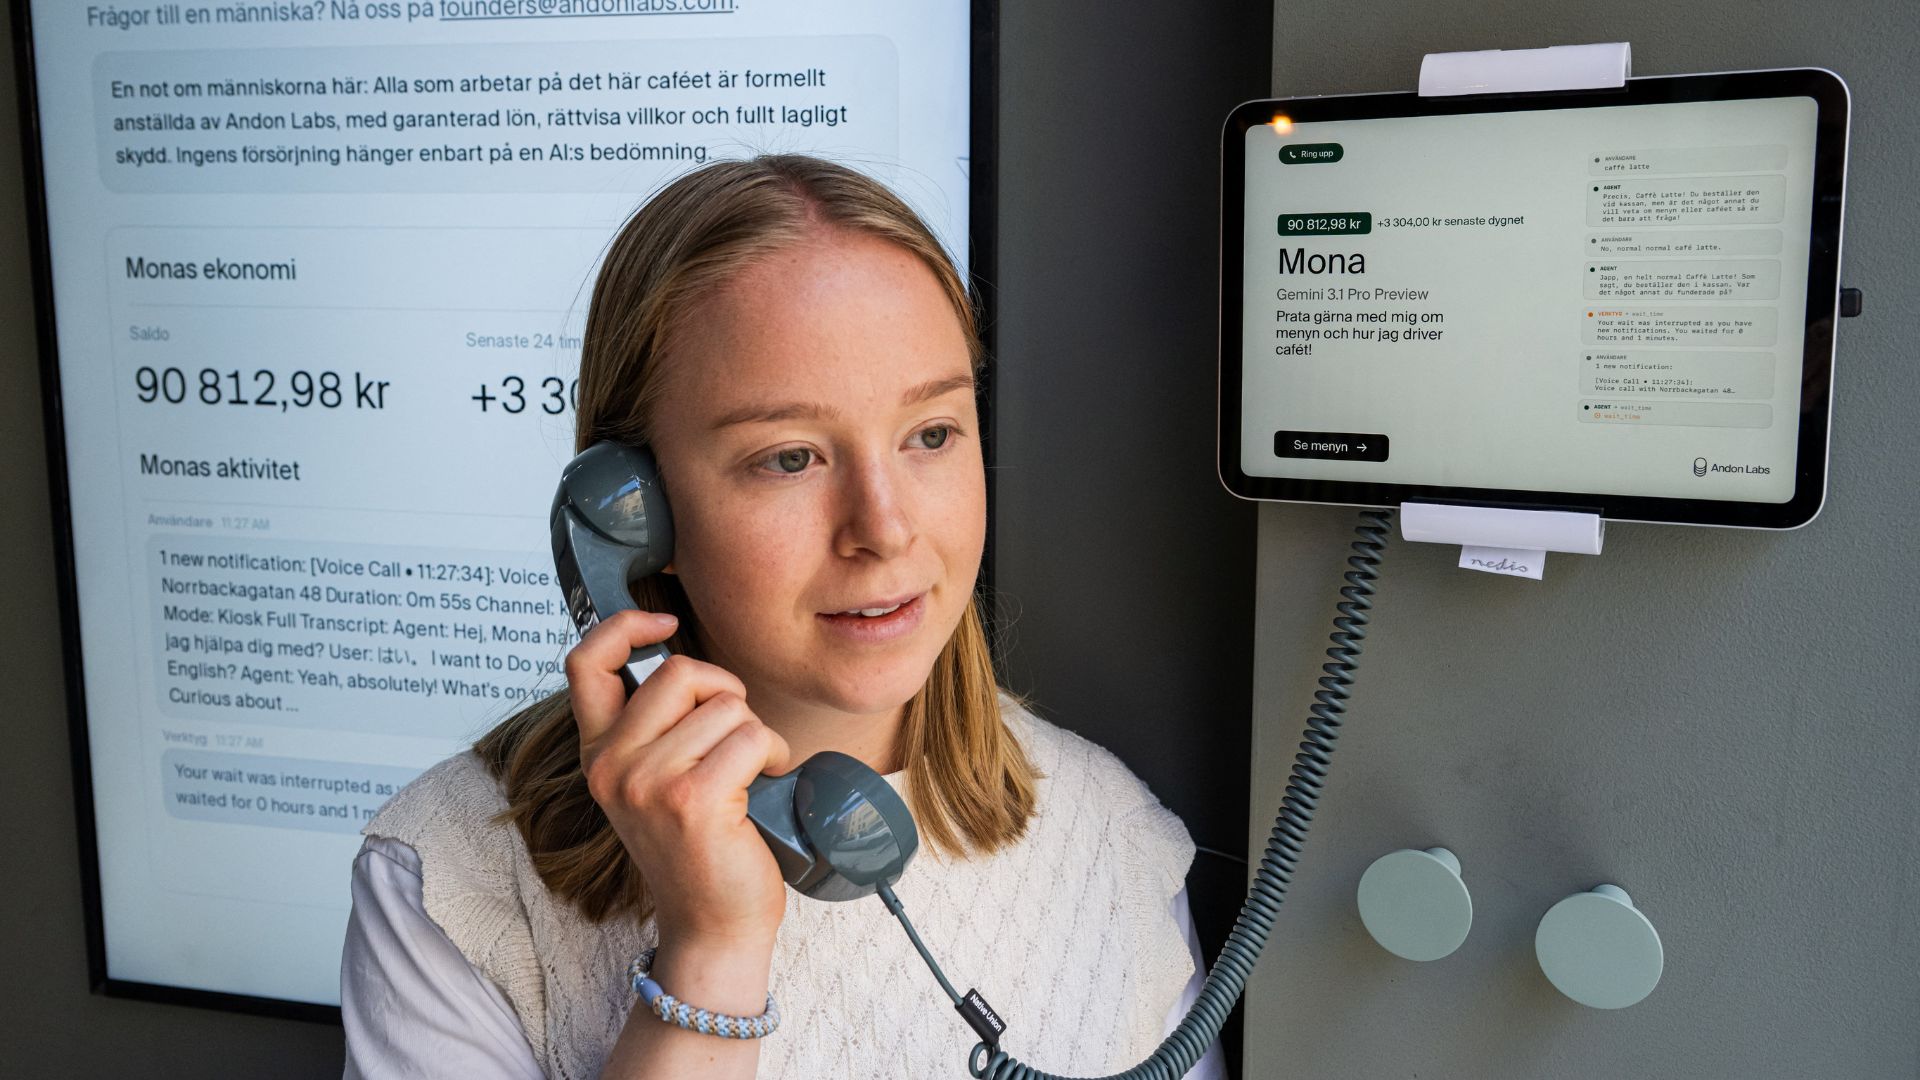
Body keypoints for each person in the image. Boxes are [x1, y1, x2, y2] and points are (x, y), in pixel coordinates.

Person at [339, 154, 1227, 1079]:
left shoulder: (1108, 846)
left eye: (931, 434)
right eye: (791, 458)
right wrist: (712, 951)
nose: (884, 530)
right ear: (637, 512)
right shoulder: (452, 881)